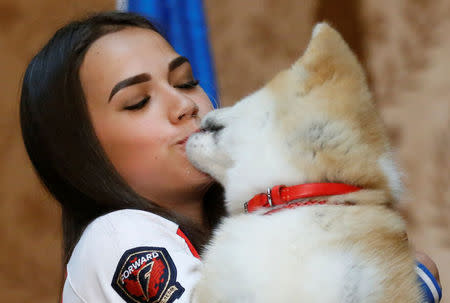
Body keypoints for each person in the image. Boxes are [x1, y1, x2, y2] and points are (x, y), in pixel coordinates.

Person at [20, 11, 441, 303]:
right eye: (137, 101)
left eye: (186, 81)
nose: (185, 106)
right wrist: (411, 285)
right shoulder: (118, 236)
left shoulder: (248, 231)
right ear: (79, 154)